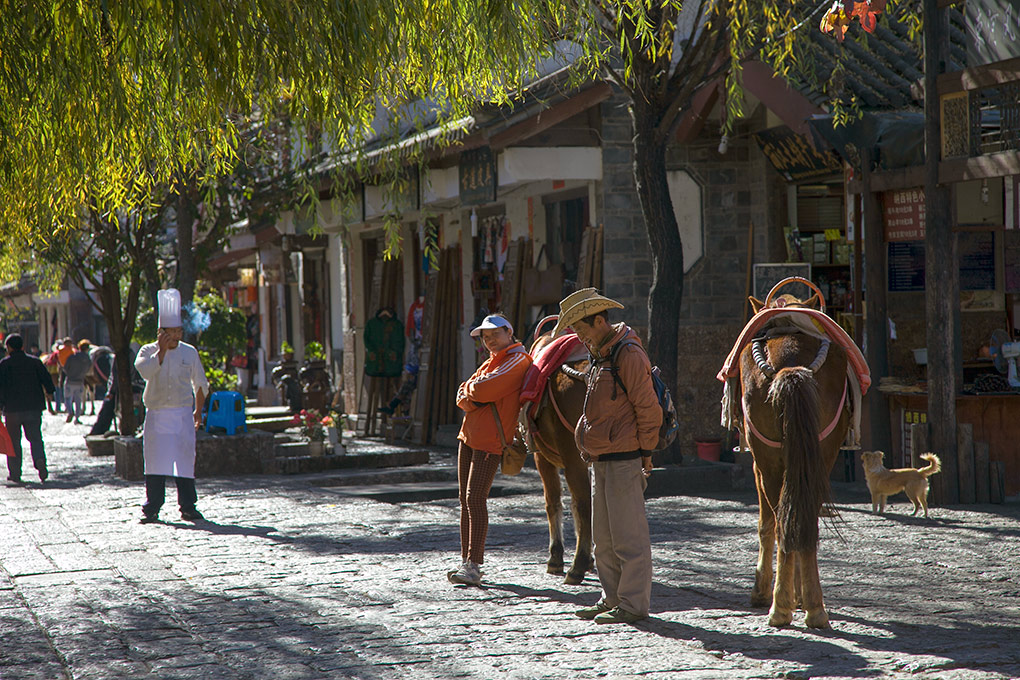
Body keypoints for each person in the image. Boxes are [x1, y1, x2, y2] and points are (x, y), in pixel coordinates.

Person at [554, 288, 661, 625]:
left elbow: (648, 408)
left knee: (628, 537)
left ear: (600, 321)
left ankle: (632, 604)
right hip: (601, 458)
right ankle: (611, 597)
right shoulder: (602, 354)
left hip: (625, 456)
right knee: (603, 538)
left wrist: (646, 453)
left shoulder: (627, 355)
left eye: (582, 330)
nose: (579, 337)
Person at [448, 314, 532, 586]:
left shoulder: (518, 360)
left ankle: (474, 565)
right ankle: (465, 562)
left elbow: (481, 390)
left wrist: (471, 393)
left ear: (510, 331)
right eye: (485, 336)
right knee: (465, 500)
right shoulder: (491, 361)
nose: (489, 339)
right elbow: (464, 393)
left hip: (491, 441)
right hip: (469, 436)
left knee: (475, 499)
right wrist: (472, 394)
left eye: (494, 333)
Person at [135, 289, 209, 524]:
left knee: (185, 461)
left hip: (182, 414)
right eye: (172, 332)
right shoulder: (147, 351)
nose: (177, 335)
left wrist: (198, 411)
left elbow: (200, 383)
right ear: (162, 333)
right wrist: (162, 351)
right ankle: (152, 507)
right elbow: (145, 371)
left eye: (179, 331)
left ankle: (188, 505)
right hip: (157, 415)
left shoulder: (189, 352)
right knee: (156, 461)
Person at [0, 333, 56, 483]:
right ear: (23, 346)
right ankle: (39, 461)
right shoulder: (35, 362)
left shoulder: (4, 365)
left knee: (13, 442)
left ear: (9, 348)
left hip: (12, 410)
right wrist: (50, 393)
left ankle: (15, 473)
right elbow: (47, 380)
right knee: (36, 438)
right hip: (33, 408)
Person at [62, 339, 92, 424]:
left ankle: (70, 411)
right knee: (78, 400)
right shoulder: (88, 360)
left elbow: (65, 368)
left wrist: (70, 373)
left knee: (67, 398)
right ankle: (77, 418)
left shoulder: (72, 357)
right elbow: (88, 370)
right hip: (80, 381)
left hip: (70, 380)